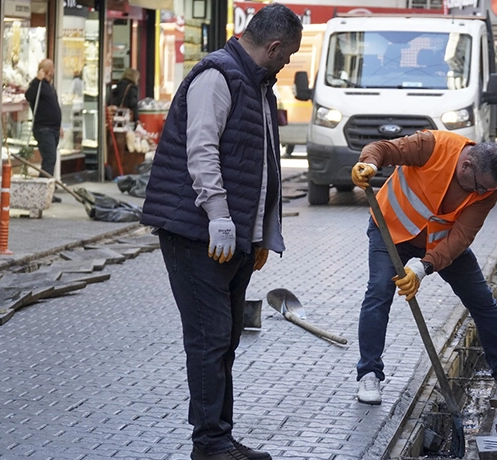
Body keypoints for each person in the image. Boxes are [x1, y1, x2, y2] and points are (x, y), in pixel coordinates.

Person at [140, 5, 302, 460]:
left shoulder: (257, 86)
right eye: (288, 54)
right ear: (272, 46)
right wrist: (219, 216)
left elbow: (262, 166)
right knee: (210, 337)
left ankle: (220, 437)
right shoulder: (218, 76)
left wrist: (259, 234)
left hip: (233, 240)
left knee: (226, 337)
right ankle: (209, 444)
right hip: (196, 236)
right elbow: (202, 150)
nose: (288, 62)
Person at [351, 130, 497, 405]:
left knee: (482, 301)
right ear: (467, 165)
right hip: (390, 230)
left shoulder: (489, 189)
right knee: (378, 292)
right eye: (479, 186)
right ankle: (369, 374)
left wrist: (423, 268)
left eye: (487, 189)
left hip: (440, 243)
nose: (481, 193)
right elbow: (384, 148)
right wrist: (369, 164)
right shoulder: (432, 145)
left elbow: (461, 236)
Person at [24, 58, 63, 200]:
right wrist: (36, 79)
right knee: (49, 159)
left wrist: (59, 126)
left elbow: (53, 106)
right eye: (51, 69)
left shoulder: (49, 86)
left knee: (50, 160)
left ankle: (46, 191)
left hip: (53, 128)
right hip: (43, 128)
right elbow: (29, 96)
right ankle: (42, 193)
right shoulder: (38, 85)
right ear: (45, 70)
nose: (52, 72)